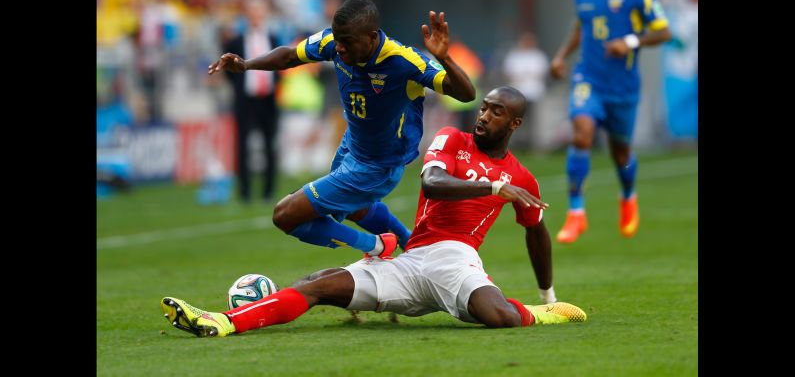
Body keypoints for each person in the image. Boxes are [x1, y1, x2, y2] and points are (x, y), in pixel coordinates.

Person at [161, 87, 586, 337]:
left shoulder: (523, 178)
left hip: (456, 260)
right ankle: (220, 321)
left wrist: (547, 292)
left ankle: (543, 312)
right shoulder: (454, 139)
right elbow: (432, 183)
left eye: (497, 113)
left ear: (514, 125)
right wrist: (493, 186)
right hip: (413, 258)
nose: (485, 116)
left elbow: (536, 231)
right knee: (316, 285)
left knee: (504, 319)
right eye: (484, 106)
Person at [208, 0, 476, 259]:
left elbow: (466, 94)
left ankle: (377, 246)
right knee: (355, 208)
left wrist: (446, 59)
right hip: (352, 146)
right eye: (336, 39)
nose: (338, 48)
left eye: (346, 42)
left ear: (371, 38)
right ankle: (414, 246)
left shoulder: (405, 61)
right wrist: (246, 64)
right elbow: (290, 56)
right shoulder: (335, 41)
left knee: (285, 215)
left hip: (378, 165)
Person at [550, 0, 672, 244]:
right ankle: (576, 213)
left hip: (623, 87)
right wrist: (561, 57)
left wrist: (629, 42)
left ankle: (628, 197)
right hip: (588, 79)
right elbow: (581, 28)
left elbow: (664, 31)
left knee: (621, 153)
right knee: (582, 133)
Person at [210, 0, 280, 203]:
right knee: (242, 145)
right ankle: (245, 192)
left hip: (267, 98)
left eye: (259, 12)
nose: (256, 16)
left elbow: (280, 66)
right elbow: (229, 70)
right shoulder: (236, 41)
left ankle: (269, 191)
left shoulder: (274, 39)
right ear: (247, 16)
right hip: (246, 99)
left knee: (269, 145)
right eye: (252, 12)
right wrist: (240, 87)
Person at [501, 31, 549, 150]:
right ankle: (516, 144)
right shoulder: (514, 56)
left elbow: (541, 73)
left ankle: (534, 145)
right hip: (517, 94)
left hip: (534, 93)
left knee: (534, 121)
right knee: (515, 121)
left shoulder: (538, 55)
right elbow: (508, 73)